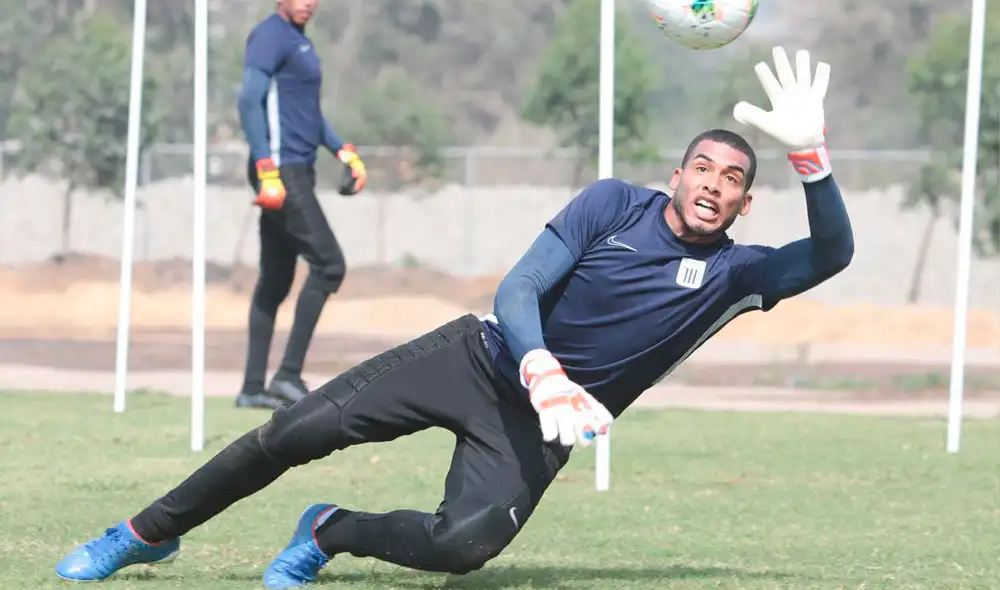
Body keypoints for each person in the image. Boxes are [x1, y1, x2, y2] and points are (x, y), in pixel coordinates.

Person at [55, 47, 853, 587]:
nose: (714, 183)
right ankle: (143, 534)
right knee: (294, 430)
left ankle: (328, 531)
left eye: (733, 178)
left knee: (463, 546)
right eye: (703, 168)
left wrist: (811, 159)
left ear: (746, 203)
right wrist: (540, 365)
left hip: (540, 429)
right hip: (478, 359)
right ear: (675, 176)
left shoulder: (737, 274)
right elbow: (519, 288)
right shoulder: (613, 204)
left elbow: (832, 253)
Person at [235, 0, 369, 410]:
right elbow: (249, 101)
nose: (309, 2)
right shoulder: (270, 35)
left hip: (297, 168)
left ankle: (252, 388)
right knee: (329, 265)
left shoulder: (299, 41)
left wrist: (342, 149)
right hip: (280, 170)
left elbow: (308, 112)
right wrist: (266, 167)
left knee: (276, 279)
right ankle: (287, 375)